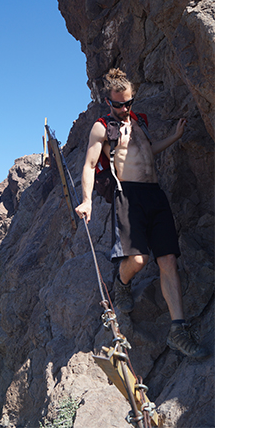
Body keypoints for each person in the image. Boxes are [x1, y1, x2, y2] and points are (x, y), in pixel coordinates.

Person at [74, 68, 208, 359]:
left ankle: (178, 330)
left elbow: (147, 154)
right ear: (108, 101)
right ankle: (121, 283)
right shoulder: (102, 127)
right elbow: (88, 164)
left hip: (154, 194)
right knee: (137, 259)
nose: (125, 109)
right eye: (119, 104)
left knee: (168, 259)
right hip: (129, 196)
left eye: (129, 102)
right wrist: (87, 201)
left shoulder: (140, 123)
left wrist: (175, 136)